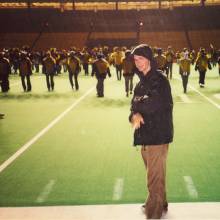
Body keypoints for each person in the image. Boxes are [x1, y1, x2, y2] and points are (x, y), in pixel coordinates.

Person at [129, 44, 173, 219]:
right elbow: (133, 107)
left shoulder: (159, 80)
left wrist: (138, 105)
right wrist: (134, 114)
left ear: (148, 58)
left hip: (158, 135)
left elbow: (155, 104)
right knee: (155, 173)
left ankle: (153, 213)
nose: (137, 63)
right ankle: (161, 203)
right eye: (135, 59)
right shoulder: (141, 83)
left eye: (140, 58)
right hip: (145, 136)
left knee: (153, 178)